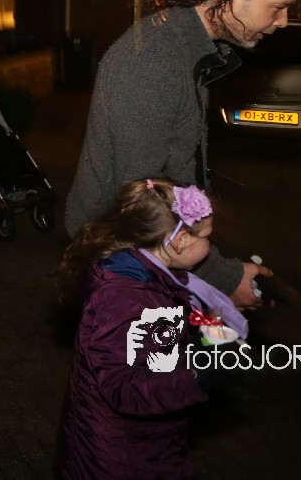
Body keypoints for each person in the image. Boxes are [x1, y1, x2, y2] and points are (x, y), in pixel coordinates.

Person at [66, 0, 297, 308]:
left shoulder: (187, 49)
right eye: (277, 7)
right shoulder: (155, 59)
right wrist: (222, 276)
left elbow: (175, 169)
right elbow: (145, 201)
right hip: (122, 258)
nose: (284, 21)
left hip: (150, 251)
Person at [58, 177, 248, 479]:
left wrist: (201, 336)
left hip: (146, 445)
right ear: (180, 240)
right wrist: (198, 374)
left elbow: (156, 351)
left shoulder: (154, 279)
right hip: (118, 459)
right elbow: (124, 388)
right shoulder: (127, 298)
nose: (211, 247)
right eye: (207, 238)